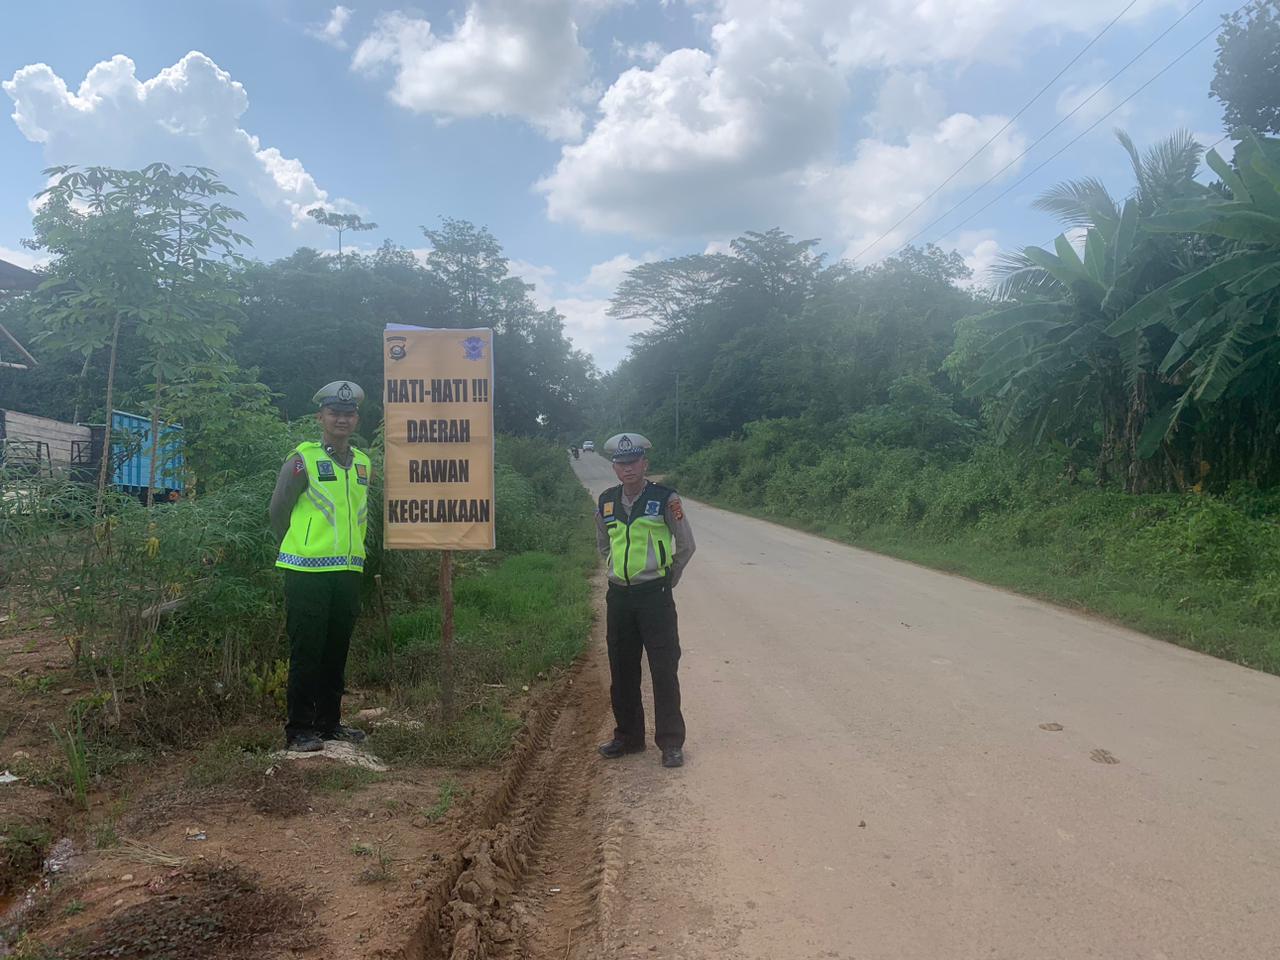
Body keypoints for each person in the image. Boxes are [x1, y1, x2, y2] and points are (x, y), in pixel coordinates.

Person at [268, 380, 372, 752]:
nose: (341, 419)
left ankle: (330, 724)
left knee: (336, 650)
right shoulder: (303, 459)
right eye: (334, 413)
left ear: (356, 419)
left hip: (347, 572)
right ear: (320, 417)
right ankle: (299, 729)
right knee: (307, 651)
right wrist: (296, 545)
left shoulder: (362, 463)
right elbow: (278, 510)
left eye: (348, 414)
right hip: (306, 572)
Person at [595, 432, 696, 768]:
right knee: (622, 669)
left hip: (655, 596)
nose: (628, 469)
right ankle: (628, 737)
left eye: (634, 462)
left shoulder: (665, 499)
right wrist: (615, 571)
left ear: (645, 463)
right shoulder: (606, 501)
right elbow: (604, 545)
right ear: (614, 467)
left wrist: (667, 580)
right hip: (619, 598)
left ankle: (670, 742)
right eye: (622, 463)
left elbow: (685, 546)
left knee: (663, 668)